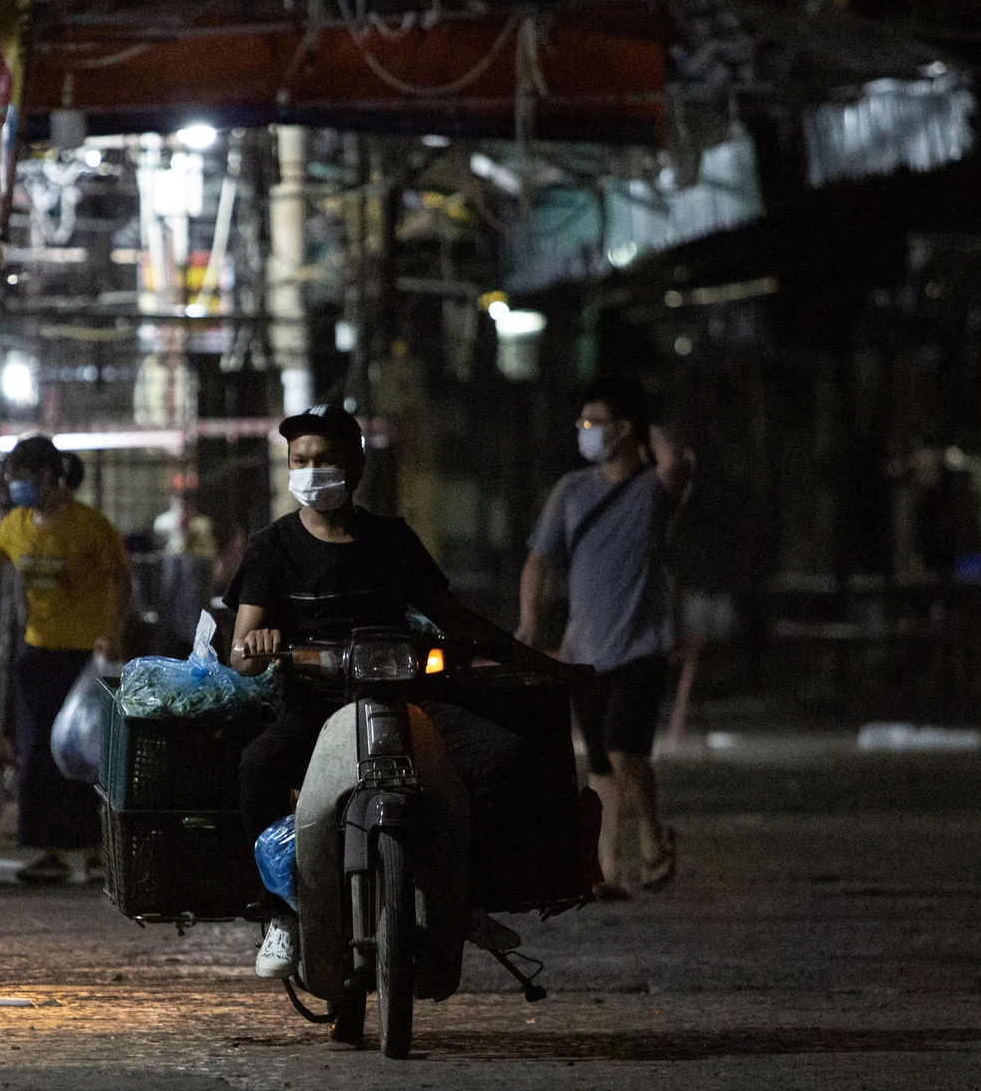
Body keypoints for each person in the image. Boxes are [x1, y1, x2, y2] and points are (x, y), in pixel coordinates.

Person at [227, 404, 587, 979]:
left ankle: (466, 897)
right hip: (314, 710)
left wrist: (538, 663)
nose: (312, 471)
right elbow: (241, 653)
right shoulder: (272, 548)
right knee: (258, 766)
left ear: (356, 467)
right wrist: (258, 644)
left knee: (503, 758)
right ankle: (280, 915)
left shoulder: (390, 539)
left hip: (403, 703)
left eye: (325, 460)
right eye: (301, 461)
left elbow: (455, 616)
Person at [516, 377, 693, 898]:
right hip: (585, 650)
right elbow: (538, 560)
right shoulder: (571, 491)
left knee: (621, 751)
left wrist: (645, 422)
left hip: (642, 645)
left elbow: (675, 464)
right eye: (582, 422)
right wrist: (529, 620)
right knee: (602, 765)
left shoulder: (654, 491)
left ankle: (651, 838)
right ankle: (612, 870)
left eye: (595, 423)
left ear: (624, 430)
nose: (584, 431)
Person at [0, 436, 130, 885]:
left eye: (19, 478)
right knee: (38, 755)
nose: (14, 487)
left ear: (46, 475)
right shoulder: (16, 525)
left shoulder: (90, 526)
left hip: (85, 659)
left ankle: (97, 850)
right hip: (37, 655)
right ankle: (51, 852)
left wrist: (113, 633)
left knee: (85, 754)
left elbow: (122, 581)